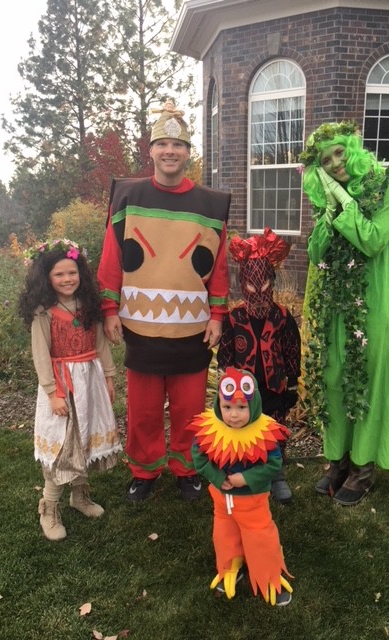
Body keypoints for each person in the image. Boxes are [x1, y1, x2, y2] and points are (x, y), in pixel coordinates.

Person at [97, 100, 231, 502]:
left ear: (188, 153)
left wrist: (218, 314)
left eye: (178, 145)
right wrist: (109, 308)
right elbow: (111, 256)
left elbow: (219, 265)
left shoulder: (210, 204)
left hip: (192, 327)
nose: (170, 151)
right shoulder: (128, 196)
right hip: (139, 324)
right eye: (162, 144)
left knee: (190, 407)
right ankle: (145, 469)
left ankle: (186, 468)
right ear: (151, 150)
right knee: (144, 409)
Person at [299, 120, 389, 506]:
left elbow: (373, 241)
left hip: (375, 300)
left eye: (339, 153)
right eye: (326, 161)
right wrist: (329, 209)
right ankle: (338, 461)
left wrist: (344, 202)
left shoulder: (385, 185)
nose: (336, 163)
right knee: (335, 377)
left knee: (368, 382)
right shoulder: (327, 196)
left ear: (352, 148)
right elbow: (316, 253)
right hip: (338, 303)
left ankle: (363, 469)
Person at [18, 238, 122, 541]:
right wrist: (52, 393)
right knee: (62, 446)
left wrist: (109, 378)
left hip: (90, 380)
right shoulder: (44, 312)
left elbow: (101, 344)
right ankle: (49, 507)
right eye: (59, 274)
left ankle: (79, 495)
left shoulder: (89, 305)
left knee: (84, 436)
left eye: (72, 272)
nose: (67, 279)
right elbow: (40, 354)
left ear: (81, 273)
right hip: (62, 384)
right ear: (47, 277)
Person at [189, 367, 293, 606]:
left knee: (260, 538)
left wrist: (246, 479)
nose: (233, 415)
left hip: (252, 503)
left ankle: (268, 578)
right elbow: (199, 457)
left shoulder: (264, 433)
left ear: (253, 405)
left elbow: (273, 464)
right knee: (224, 536)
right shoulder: (210, 430)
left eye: (241, 407)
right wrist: (217, 477)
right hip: (221, 502)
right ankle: (230, 569)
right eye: (227, 407)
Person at [217, 228, 301, 504]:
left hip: (274, 388)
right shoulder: (234, 319)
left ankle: (276, 475)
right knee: (245, 432)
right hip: (244, 392)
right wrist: (225, 387)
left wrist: (292, 384)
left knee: (273, 433)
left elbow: (292, 350)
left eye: (265, 287)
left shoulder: (282, 317)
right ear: (243, 284)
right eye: (253, 288)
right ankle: (248, 474)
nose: (259, 294)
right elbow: (226, 355)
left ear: (272, 282)